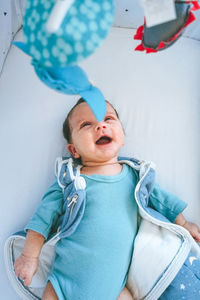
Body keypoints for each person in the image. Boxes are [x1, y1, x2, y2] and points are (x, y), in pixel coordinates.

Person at [14, 98, 200, 300]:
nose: (101, 126)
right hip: (63, 285)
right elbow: (43, 218)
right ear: (73, 150)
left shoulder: (136, 177)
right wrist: (29, 256)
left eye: (108, 119)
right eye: (86, 124)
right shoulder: (69, 181)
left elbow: (163, 201)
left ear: (122, 136)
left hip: (115, 290)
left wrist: (183, 223)